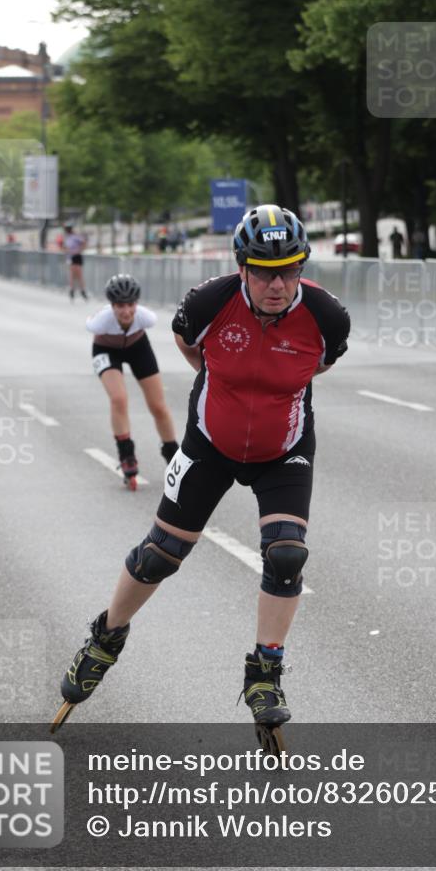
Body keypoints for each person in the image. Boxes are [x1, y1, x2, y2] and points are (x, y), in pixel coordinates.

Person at [53, 205, 351, 748]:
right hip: (209, 445)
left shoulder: (327, 318)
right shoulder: (207, 304)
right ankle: (105, 638)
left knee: (286, 554)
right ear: (242, 268)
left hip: (283, 449)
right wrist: (229, 387)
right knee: (160, 554)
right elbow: (192, 348)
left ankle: (265, 672)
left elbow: (320, 365)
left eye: (288, 269)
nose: (277, 283)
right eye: (263, 270)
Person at [87, 273, 179, 489]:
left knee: (158, 405)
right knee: (119, 399)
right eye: (120, 305)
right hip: (107, 350)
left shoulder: (147, 318)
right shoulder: (99, 322)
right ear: (112, 305)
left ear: (137, 303)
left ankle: (173, 456)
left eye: (130, 305)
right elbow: (90, 328)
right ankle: (126, 454)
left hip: (138, 347)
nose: (126, 311)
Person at [64, 223, 88, 300]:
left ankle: (82, 290)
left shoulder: (75, 237)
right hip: (70, 257)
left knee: (79, 275)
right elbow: (66, 248)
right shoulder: (67, 237)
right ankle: (72, 290)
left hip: (76, 256)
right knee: (72, 275)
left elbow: (84, 242)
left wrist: (78, 250)